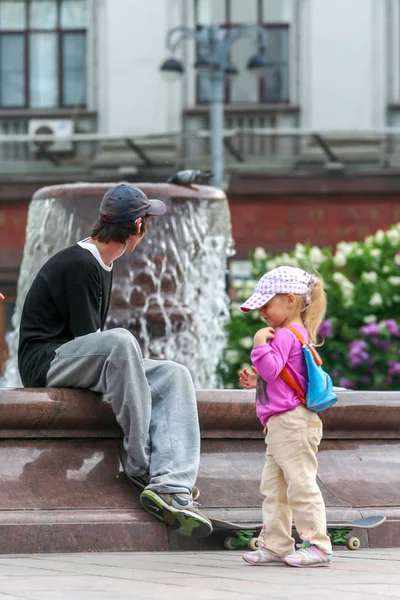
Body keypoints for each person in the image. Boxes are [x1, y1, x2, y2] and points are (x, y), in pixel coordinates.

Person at [18, 183, 212, 539]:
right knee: (122, 341)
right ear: (138, 226)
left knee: (174, 374)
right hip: (46, 362)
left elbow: (97, 349)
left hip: (78, 358)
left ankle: (172, 483)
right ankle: (141, 464)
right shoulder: (81, 263)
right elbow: (88, 341)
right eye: (147, 221)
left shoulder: (102, 261)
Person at [238, 266, 333, 567]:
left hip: (291, 422)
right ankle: (277, 544)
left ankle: (318, 545)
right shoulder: (295, 334)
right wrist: (259, 382)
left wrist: (257, 345)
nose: (262, 312)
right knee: (275, 489)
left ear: (290, 301)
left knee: (300, 485)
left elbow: (270, 367)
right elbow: (282, 375)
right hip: (283, 424)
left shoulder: (285, 336)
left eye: (267, 304)